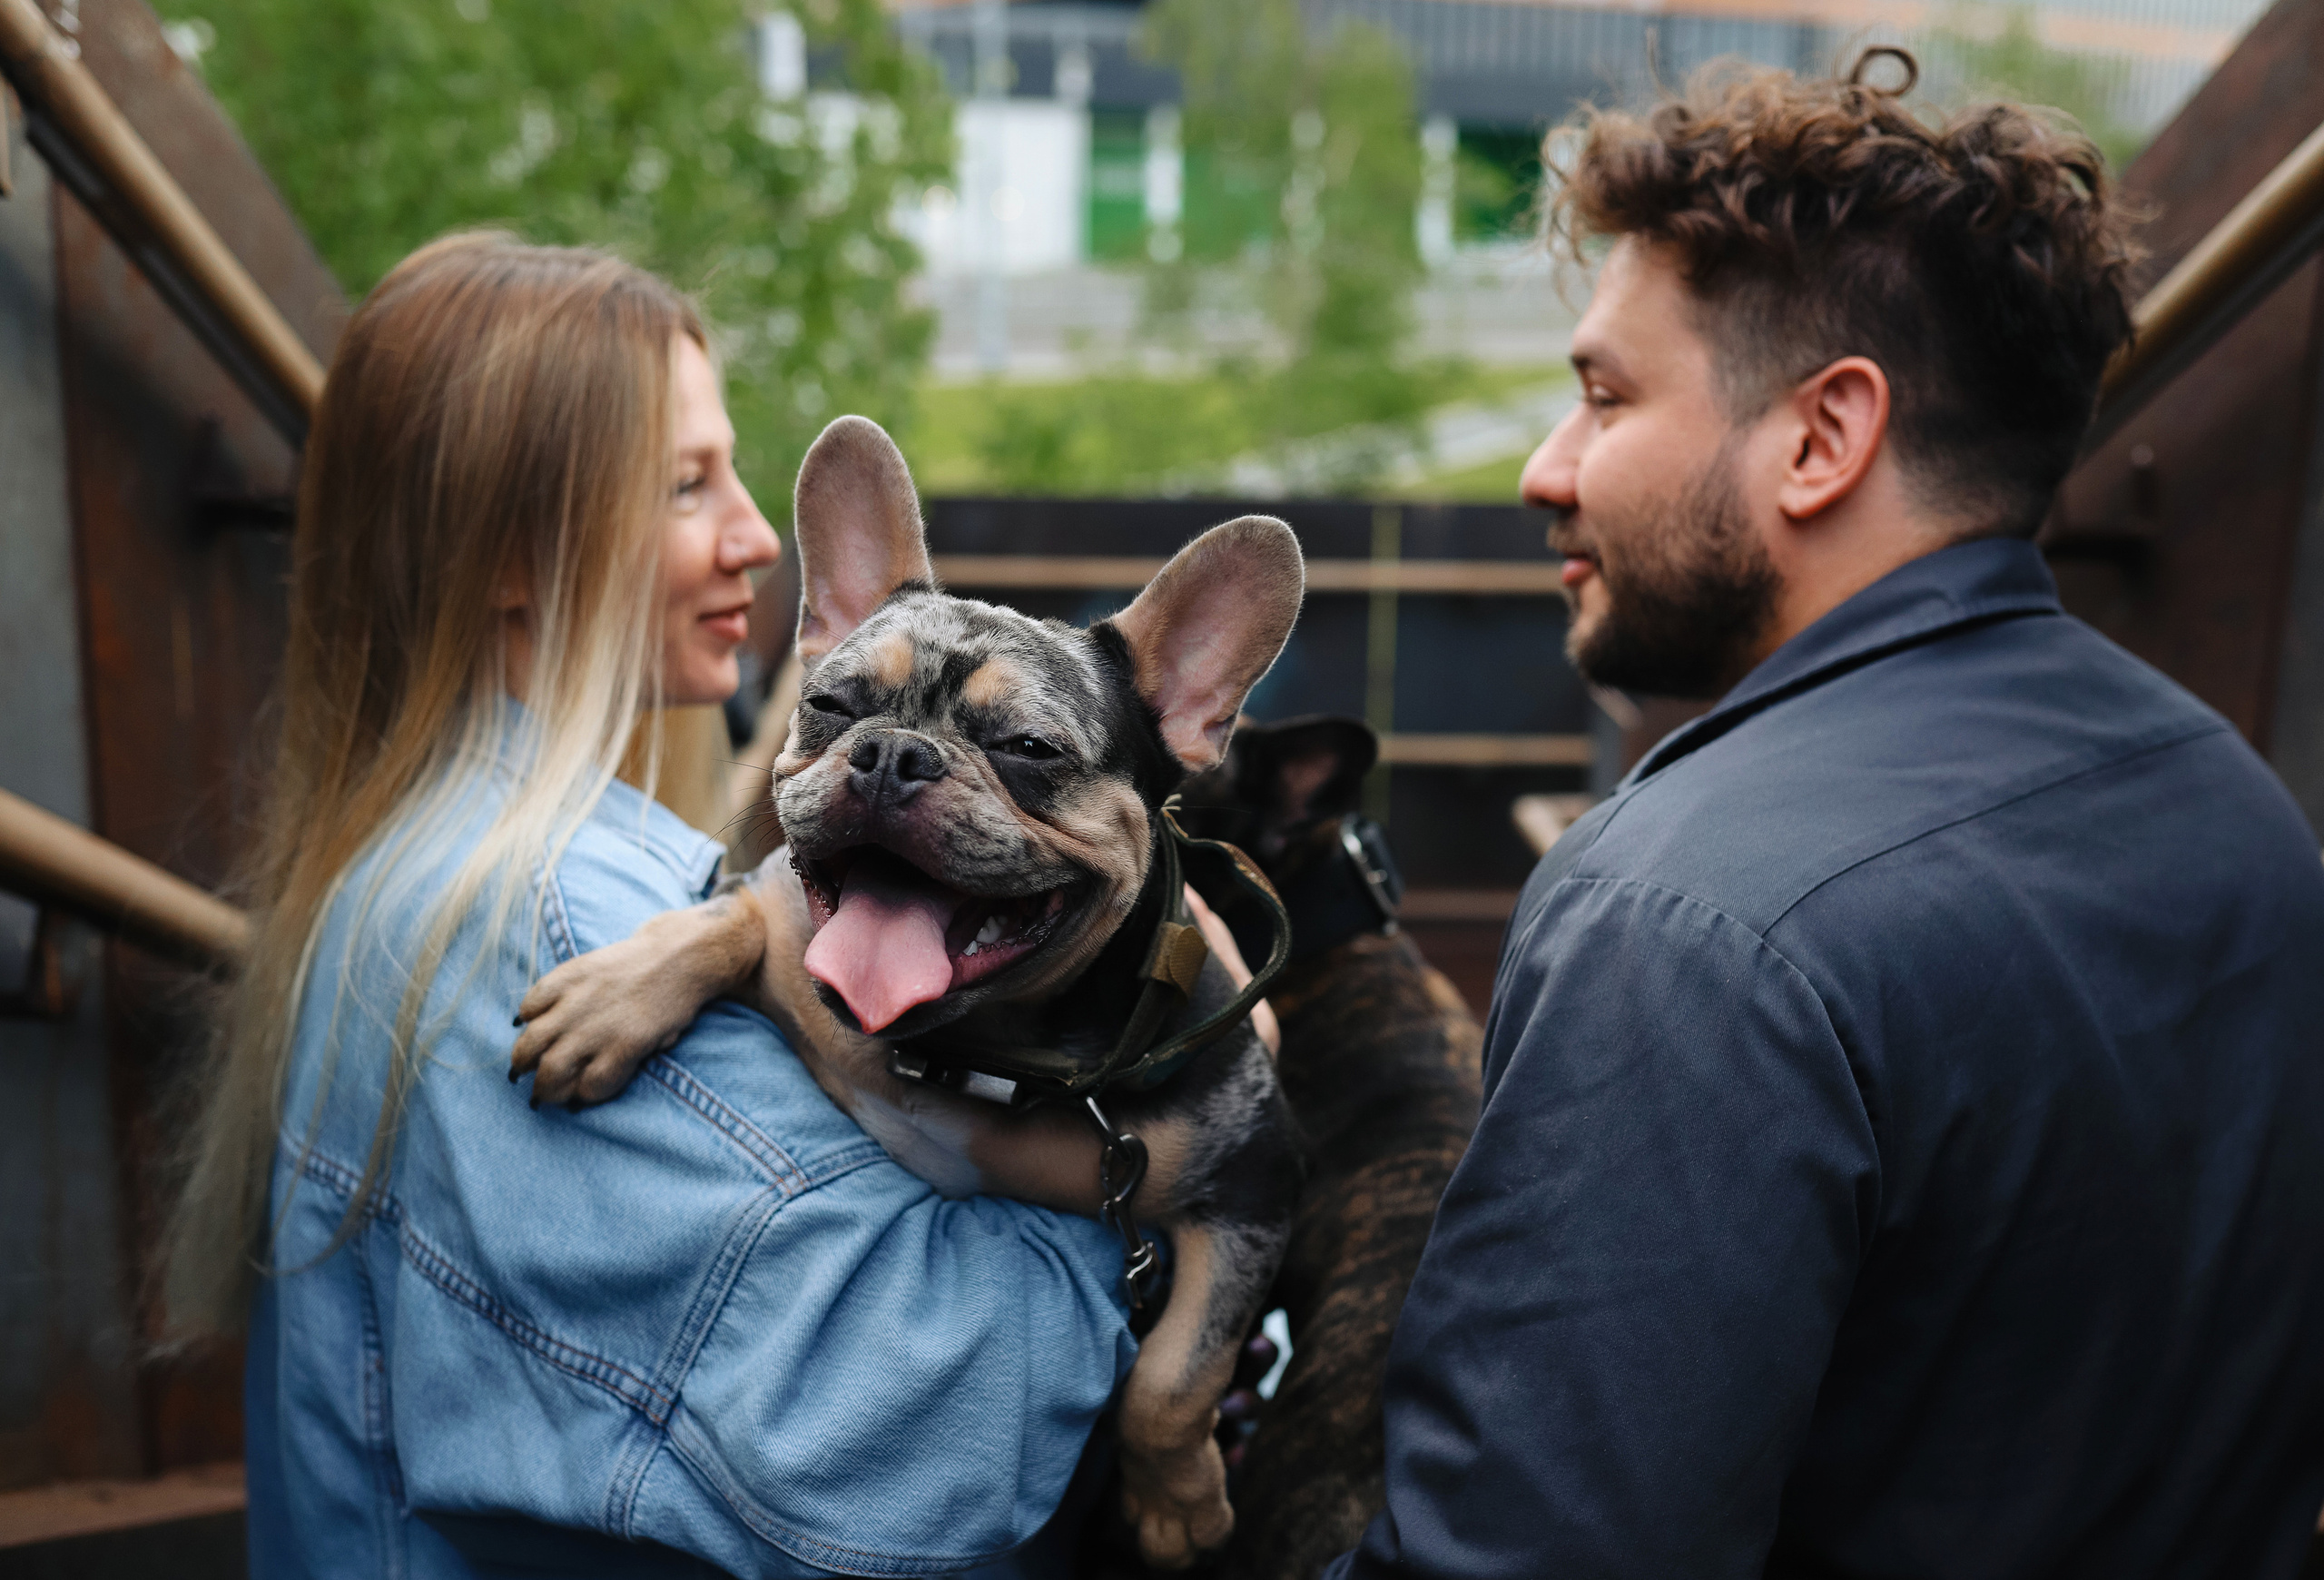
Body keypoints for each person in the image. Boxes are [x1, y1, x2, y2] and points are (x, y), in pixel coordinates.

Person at [1330, 54, 2324, 1579]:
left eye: (1604, 394)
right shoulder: (2244, 816)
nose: (1548, 468)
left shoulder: (1689, 924)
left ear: (1823, 437)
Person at [164, 234, 1134, 1576]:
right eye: (687, 487)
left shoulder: (417, 868)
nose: (753, 535)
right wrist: (1169, 1202)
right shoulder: (559, 920)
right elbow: (930, 1433)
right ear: (508, 556)